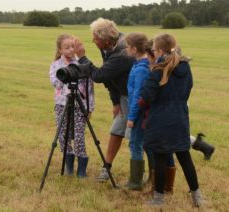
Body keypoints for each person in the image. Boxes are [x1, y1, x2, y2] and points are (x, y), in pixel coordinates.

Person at [141, 33, 202, 207]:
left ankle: (159, 199)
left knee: (160, 158)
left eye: (154, 50)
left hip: (160, 119)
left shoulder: (158, 70)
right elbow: (188, 89)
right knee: (184, 157)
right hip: (180, 117)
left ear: (159, 50)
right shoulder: (185, 67)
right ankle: (197, 197)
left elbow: (147, 96)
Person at [74, 18, 134, 181]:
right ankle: (107, 168)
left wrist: (82, 58)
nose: (93, 40)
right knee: (116, 131)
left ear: (106, 40)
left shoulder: (122, 53)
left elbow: (100, 76)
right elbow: (111, 78)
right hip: (124, 96)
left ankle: (139, 177)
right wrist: (115, 102)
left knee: (139, 137)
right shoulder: (108, 46)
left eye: (95, 37)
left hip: (135, 99)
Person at [49, 34, 94, 178]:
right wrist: (65, 74)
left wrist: (90, 107)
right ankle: (68, 165)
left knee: (79, 135)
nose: (70, 50)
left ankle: (82, 169)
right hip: (62, 104)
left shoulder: (82, 65)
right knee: (63, 136)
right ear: (60, 50)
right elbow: (56, 84)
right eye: (66, 47)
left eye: (72, 47)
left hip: (79, 105)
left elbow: (89, 88)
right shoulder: (55, 65)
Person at [124, 32, 151, 190]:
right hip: (141, 112)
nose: (126, 49)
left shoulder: (141, 69)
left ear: (134, 49)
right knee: (143, 144)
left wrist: (132, 117)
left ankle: (135, 182)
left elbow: (137, 95)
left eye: (128, 47)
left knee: (135, 144)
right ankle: (150, 178)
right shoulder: (141, 65)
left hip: (139, 113)